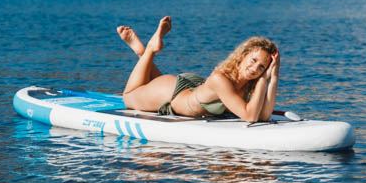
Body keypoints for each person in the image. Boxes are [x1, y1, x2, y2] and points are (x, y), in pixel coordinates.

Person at [117, 16, 280, 123]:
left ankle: (142, 53)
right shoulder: (221, 79)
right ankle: (150, 49)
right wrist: (263, 79)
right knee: (128, 97)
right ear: (243, 55)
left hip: (192, 89)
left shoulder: (246, 84)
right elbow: (250, 116)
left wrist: (273, 77)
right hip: (171, 93)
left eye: (261, 67)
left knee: (146, 82)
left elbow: (264, 116)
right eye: (253, 60)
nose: (255, 69)